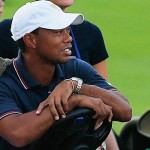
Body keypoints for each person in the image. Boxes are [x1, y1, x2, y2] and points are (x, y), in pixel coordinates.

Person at [0, 1, 132, 150]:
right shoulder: (4, 82)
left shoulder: (76, 68)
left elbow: (125, 111)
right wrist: (72, 102)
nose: (68, 38)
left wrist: (75, 86)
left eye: (67, 30)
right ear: (30, 40)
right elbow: (18, 134)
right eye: (58, 32)